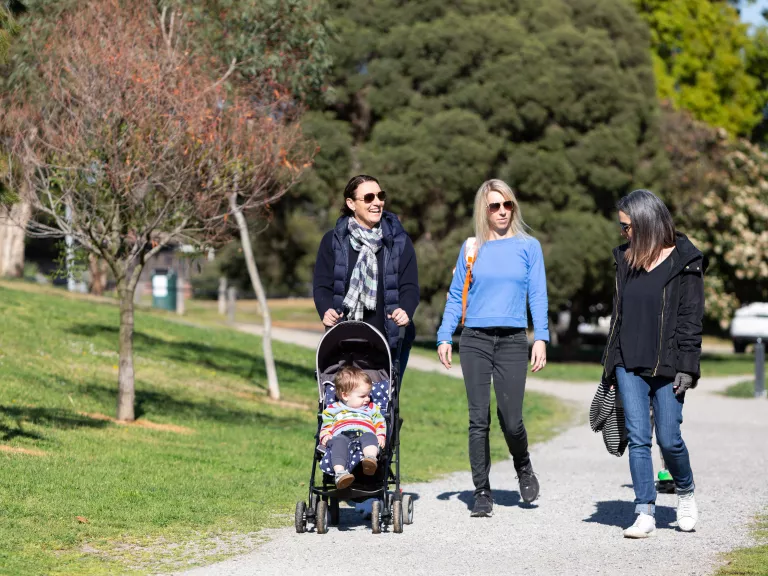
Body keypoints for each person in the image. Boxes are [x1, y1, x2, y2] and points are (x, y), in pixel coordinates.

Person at [437, 179, 549, 518]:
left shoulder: (529, 247)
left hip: (514, 340)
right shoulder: (472, 247)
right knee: (478, 419)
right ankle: (482, 491)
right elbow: (457, 294)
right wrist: (444, 334)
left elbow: (538, 295)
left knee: (511, 419)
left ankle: (523, 466)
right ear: (483, 211)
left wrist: (540, 336)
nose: (502, 211)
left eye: (507, 205)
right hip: (475, 340)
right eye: (494, 206)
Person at [601, 189, 705, 538]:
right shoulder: (624, 260)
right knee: (639, 437)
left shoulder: (685, 260)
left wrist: (688, 368)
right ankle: (645, 511)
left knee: (670, 439)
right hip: (628, 362)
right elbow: (619, 316)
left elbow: (691, 319)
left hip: (670, 365)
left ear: (645, 223)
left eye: (626, 226)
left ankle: (686, 491)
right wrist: (611, 365)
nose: (623, 233)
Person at [313, 175, 419, 376]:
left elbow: (410, 286)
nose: (377, 202)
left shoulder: (399, 241)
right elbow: (322, 285)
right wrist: (325, 309)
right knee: (348, 403)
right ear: (351, 203)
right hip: (344, 341)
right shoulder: (333, 241)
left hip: (390, 342)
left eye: (380, 196)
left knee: (384, 403)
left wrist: (406, 310)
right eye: (369, 197)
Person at [320, 366, 386, 489]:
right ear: (345, 396)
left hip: (365, 433)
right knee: (338, 443)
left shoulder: (372, 408)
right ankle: (340, 473)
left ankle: (370, 460)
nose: (367, 399)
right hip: (341, 435)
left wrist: (381, 435)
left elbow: (380, 422)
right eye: (362, 396)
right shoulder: (333, 409)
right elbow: (326, 424)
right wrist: (325, 435)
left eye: (368, 395)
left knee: (370, 437)